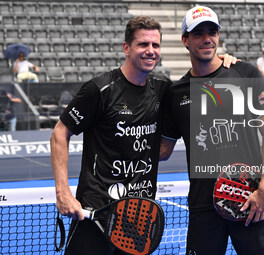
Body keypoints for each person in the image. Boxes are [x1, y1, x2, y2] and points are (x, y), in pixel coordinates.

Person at [50, 16, 237, 255]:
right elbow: (59, 134)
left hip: (139, 214)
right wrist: (62, 192)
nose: (150, 51)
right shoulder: (100, 90)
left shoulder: (163, 89)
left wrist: (223, 63)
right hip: (97, 212)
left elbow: (166, 146)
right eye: (143, 45)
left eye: (155, 45)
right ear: (126, 48)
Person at [160, 6, 264, 255]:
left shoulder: (244, 73)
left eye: (212, 31)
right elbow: (163, 150)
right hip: (204, 207)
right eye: (198, 33)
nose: (207, 38)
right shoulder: (175, 93)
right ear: (185, 40)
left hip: (250, 198)